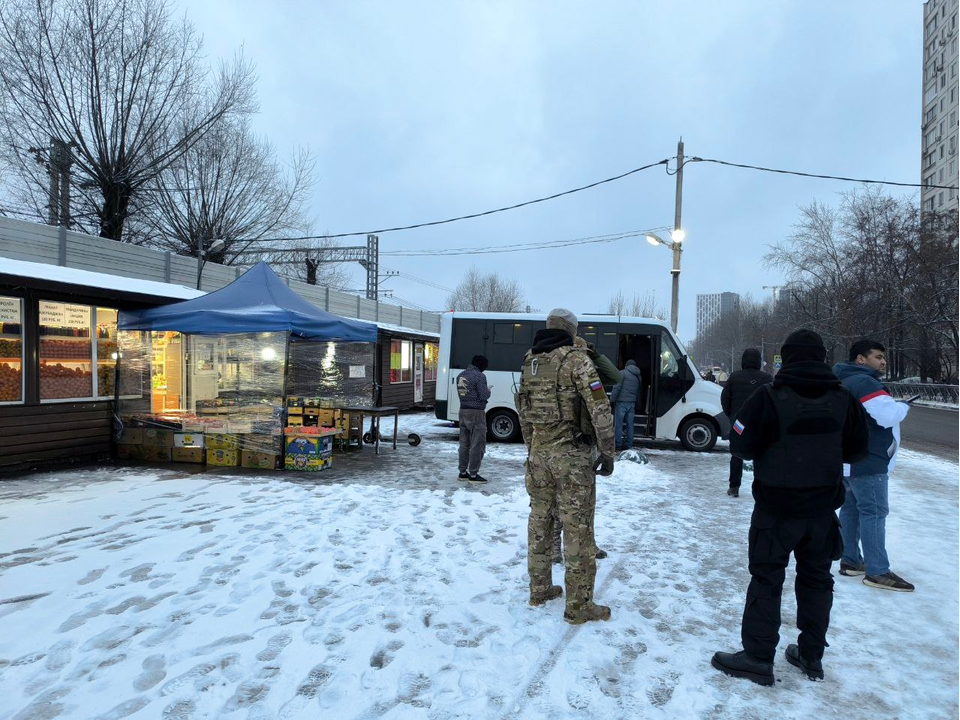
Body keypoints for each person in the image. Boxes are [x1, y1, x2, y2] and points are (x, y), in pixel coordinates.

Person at [712, 329, 868, 686]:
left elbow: (740, 443)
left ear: (787, 357)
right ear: (822, 357)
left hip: (776, 510)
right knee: (817, 580)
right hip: (821, 512)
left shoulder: (769, 396)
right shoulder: (843, 398)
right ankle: (811, 656)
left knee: (766, 579)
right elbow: (858, 450)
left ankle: (758, 656)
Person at [517, 308, 615, 624]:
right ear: (572, 331)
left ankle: (540, 589)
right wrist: (608, 452)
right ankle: (579, 605)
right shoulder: (576, 360)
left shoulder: (529, 362)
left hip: (538, 457)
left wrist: (532, 448)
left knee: (540, 522)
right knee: (578, 528)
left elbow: (524, 411)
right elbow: (600, 410)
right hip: (572, 459)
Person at [834, 340, 914, 592]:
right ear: (861, 359)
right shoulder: (864, 382)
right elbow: (886, 415)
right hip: (869, 459)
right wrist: (902, 406)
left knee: (851, 509)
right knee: (875, 512)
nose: (883, 362)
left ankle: (850, 560)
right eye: (878, 357)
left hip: (847, 458)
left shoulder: (842, 379)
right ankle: (877, 571)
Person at [548, 337, 619, 564]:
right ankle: (554, 548)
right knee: (562, 501)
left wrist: (597, 356)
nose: (583, 356)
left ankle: (588, 544)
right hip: (565, 444)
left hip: (585, 444)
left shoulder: (587, 369)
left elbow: (617, 378)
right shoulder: (560, 370)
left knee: (586, 501)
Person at [720, 348, 773, 498]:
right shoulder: (767, 378)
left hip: (739, 424)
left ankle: (734, 486)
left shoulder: (734, 377)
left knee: (736, 453)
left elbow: (725, 399)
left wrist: (732, 417)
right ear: (758, 361)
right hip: (760, 423)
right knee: (761, 454)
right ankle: (761, 487)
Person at [456, 355, 491, 483]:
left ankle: (462, 472)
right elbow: (483, 396)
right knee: (478, 444)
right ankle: (474, 475)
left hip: (463, 411)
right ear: (481, 365)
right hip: (476, 413)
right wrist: (488, 391)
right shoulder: (480, 376)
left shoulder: (461, 375)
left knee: (464, 444)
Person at [610, 360, 642, 451]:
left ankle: (618, 444)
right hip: (632, 403)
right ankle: (629, 444)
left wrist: (612, 399)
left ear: (626, 365)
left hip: (621, 402)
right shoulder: (638, 376)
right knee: (630, 425)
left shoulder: (622, 373)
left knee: (618, 424)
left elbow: (617, 387)